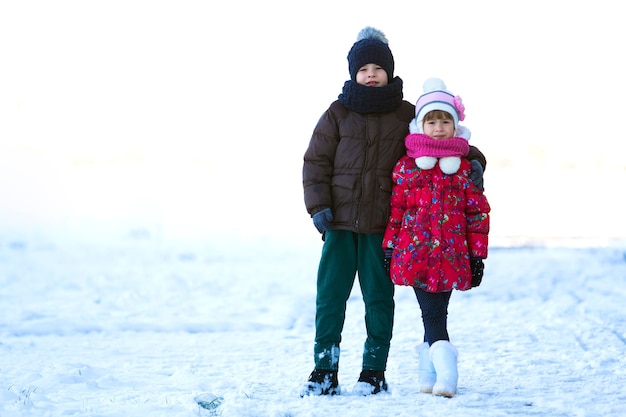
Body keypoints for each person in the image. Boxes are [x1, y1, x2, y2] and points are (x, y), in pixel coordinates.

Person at [301, 28, 487, 396]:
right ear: (353, 73)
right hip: (338, 223)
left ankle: (373, 371)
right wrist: (318, 205)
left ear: (389, 71)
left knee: (379, 299)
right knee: (330, 296)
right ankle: (324, 368)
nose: (371, 73)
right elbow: (315, 161)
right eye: (363, 68)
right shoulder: (337, 113)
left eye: (377, 67)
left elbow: (444, 136)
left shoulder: (404, 114)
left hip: (382, 227)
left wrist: (477, 160)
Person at [382, 78, 491, 398]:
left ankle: (433, 374)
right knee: (432, 315)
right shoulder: (407, 168)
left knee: (434, 314)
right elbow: (397, 211)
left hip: (452, 255)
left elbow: (477, 214)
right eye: (432, 121)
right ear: (421, 125)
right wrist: (390, 246)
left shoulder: (464, 170)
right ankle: (442, 373)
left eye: (445, 121)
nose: (439, 127)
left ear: (455, 126)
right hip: (415, 254)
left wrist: (477, 256)